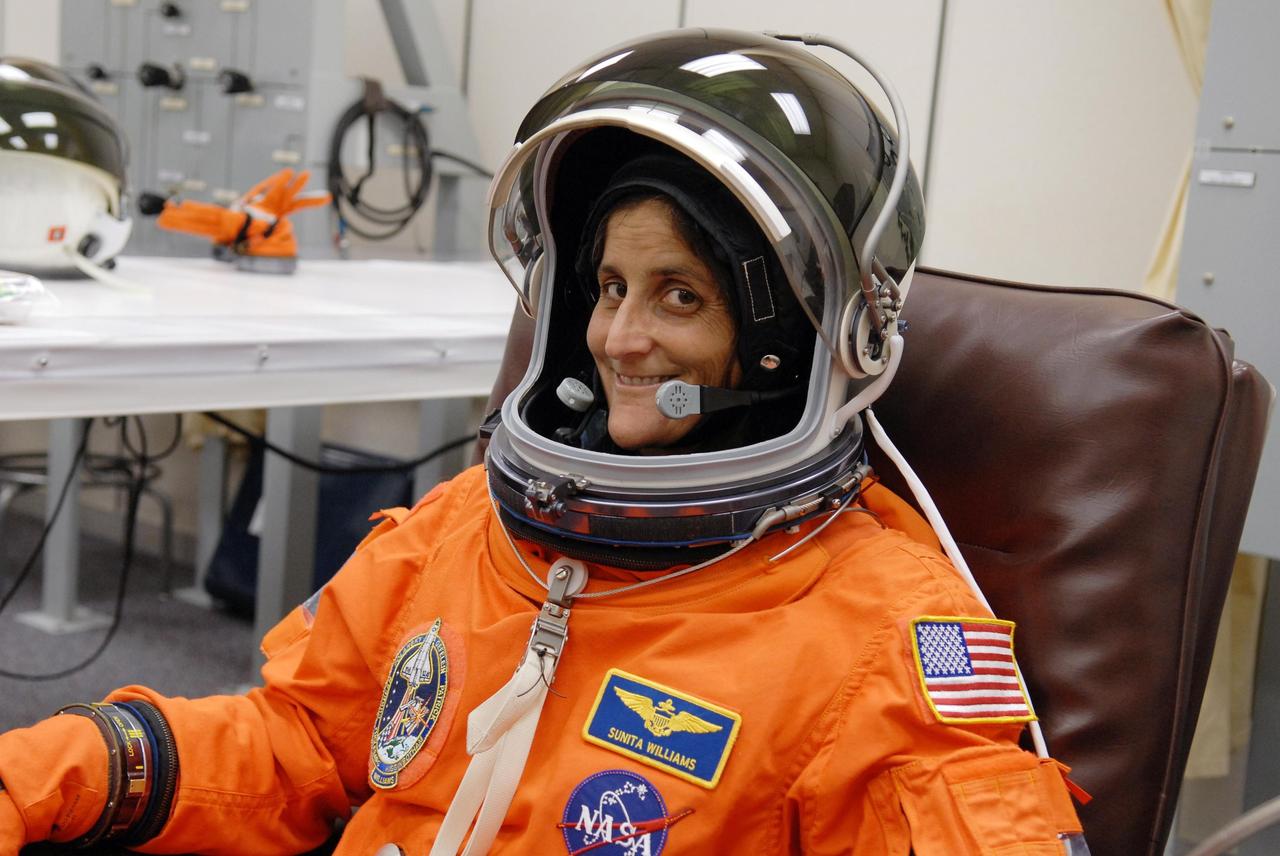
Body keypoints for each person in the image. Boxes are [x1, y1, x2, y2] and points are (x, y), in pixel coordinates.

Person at [0, 29, 1090, 855]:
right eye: (609, 287)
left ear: (784, 341)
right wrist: (50, 772)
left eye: (678, 295)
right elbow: (297, 744)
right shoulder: (465, 527)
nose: (618, 338)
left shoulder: (879, 634)